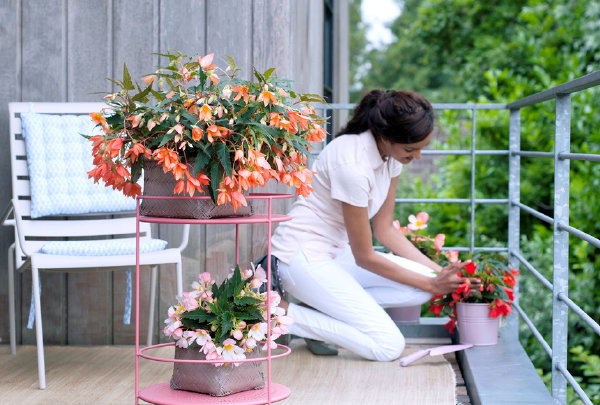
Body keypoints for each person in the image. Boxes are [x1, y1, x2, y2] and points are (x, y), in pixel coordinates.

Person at [270, 89, 478, 362]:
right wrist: (434, 284)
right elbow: (365, 257)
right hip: (301, 257)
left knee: (419, 288)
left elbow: (385, 231)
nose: (417, 157)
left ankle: (321, 313)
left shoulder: (390, 158)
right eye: (410, 149)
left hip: (335, 254)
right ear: (384, 135)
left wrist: (443, 275)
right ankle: (276, 314)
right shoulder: (353, 166)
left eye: (421, 148)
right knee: (388, 346)